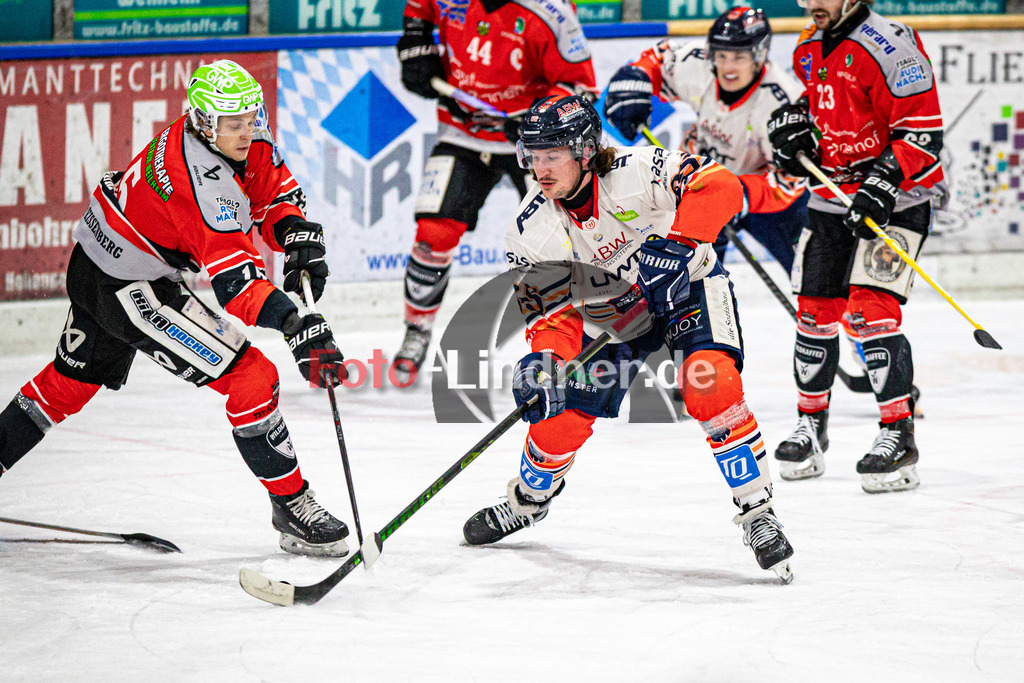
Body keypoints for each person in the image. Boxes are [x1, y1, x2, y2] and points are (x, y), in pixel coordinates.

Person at [0, 60, 351, 557]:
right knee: (253, 376)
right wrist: (295, 326)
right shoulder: (198, 183)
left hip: (100, 261)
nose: (247, 131)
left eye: (252, 118)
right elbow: (238, 287)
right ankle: (292, 508)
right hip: (127, 285)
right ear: (205, 123)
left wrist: (295, 234)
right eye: (235, 124)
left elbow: (269, 192)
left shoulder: (233, 134)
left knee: (68, 384)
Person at [461, 95, 795, 583]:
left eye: (552, 155)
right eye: (532, 156)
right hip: (608, 318)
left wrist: (678, 244)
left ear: (584, 150)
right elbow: (551, 314)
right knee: (558, 419)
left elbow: (719, 185)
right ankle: (528, 502)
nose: (540, 169)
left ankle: (757, 512)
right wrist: (547, 361)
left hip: (688, 291)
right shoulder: (529, 227)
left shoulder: (638, 169)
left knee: (711, 385)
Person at [766, 0, 944, 492]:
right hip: (830, 197)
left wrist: (885, 179)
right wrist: (793, 134)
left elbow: (924, 132)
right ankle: (811, 428)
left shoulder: (892, 48)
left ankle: (898, 435)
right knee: (814, 313)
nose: (810, 4)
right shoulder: (807, 45)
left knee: (870, 313)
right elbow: (820, 110)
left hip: (900, 198)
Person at [393, 0, 597, 379]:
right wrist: (416, 40)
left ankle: (579, 335)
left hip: (536, 144)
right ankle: (416, 329)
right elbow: (420, 7)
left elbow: (581, 88)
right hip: (462, 131)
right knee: (433, 234)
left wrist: (536, 119)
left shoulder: (551, 12)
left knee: (565, 239)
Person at [603, 6, 807, 275]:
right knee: (695, 279)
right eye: (721, 55)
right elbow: (658, 58)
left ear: (759, 57)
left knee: (810, 279)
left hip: (763, 195)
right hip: (703, 182)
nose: (727, 67)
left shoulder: (781, 102)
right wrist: (636, 79)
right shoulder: (700, 65)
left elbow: (789, 180)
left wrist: (737, 193)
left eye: (738, 57)